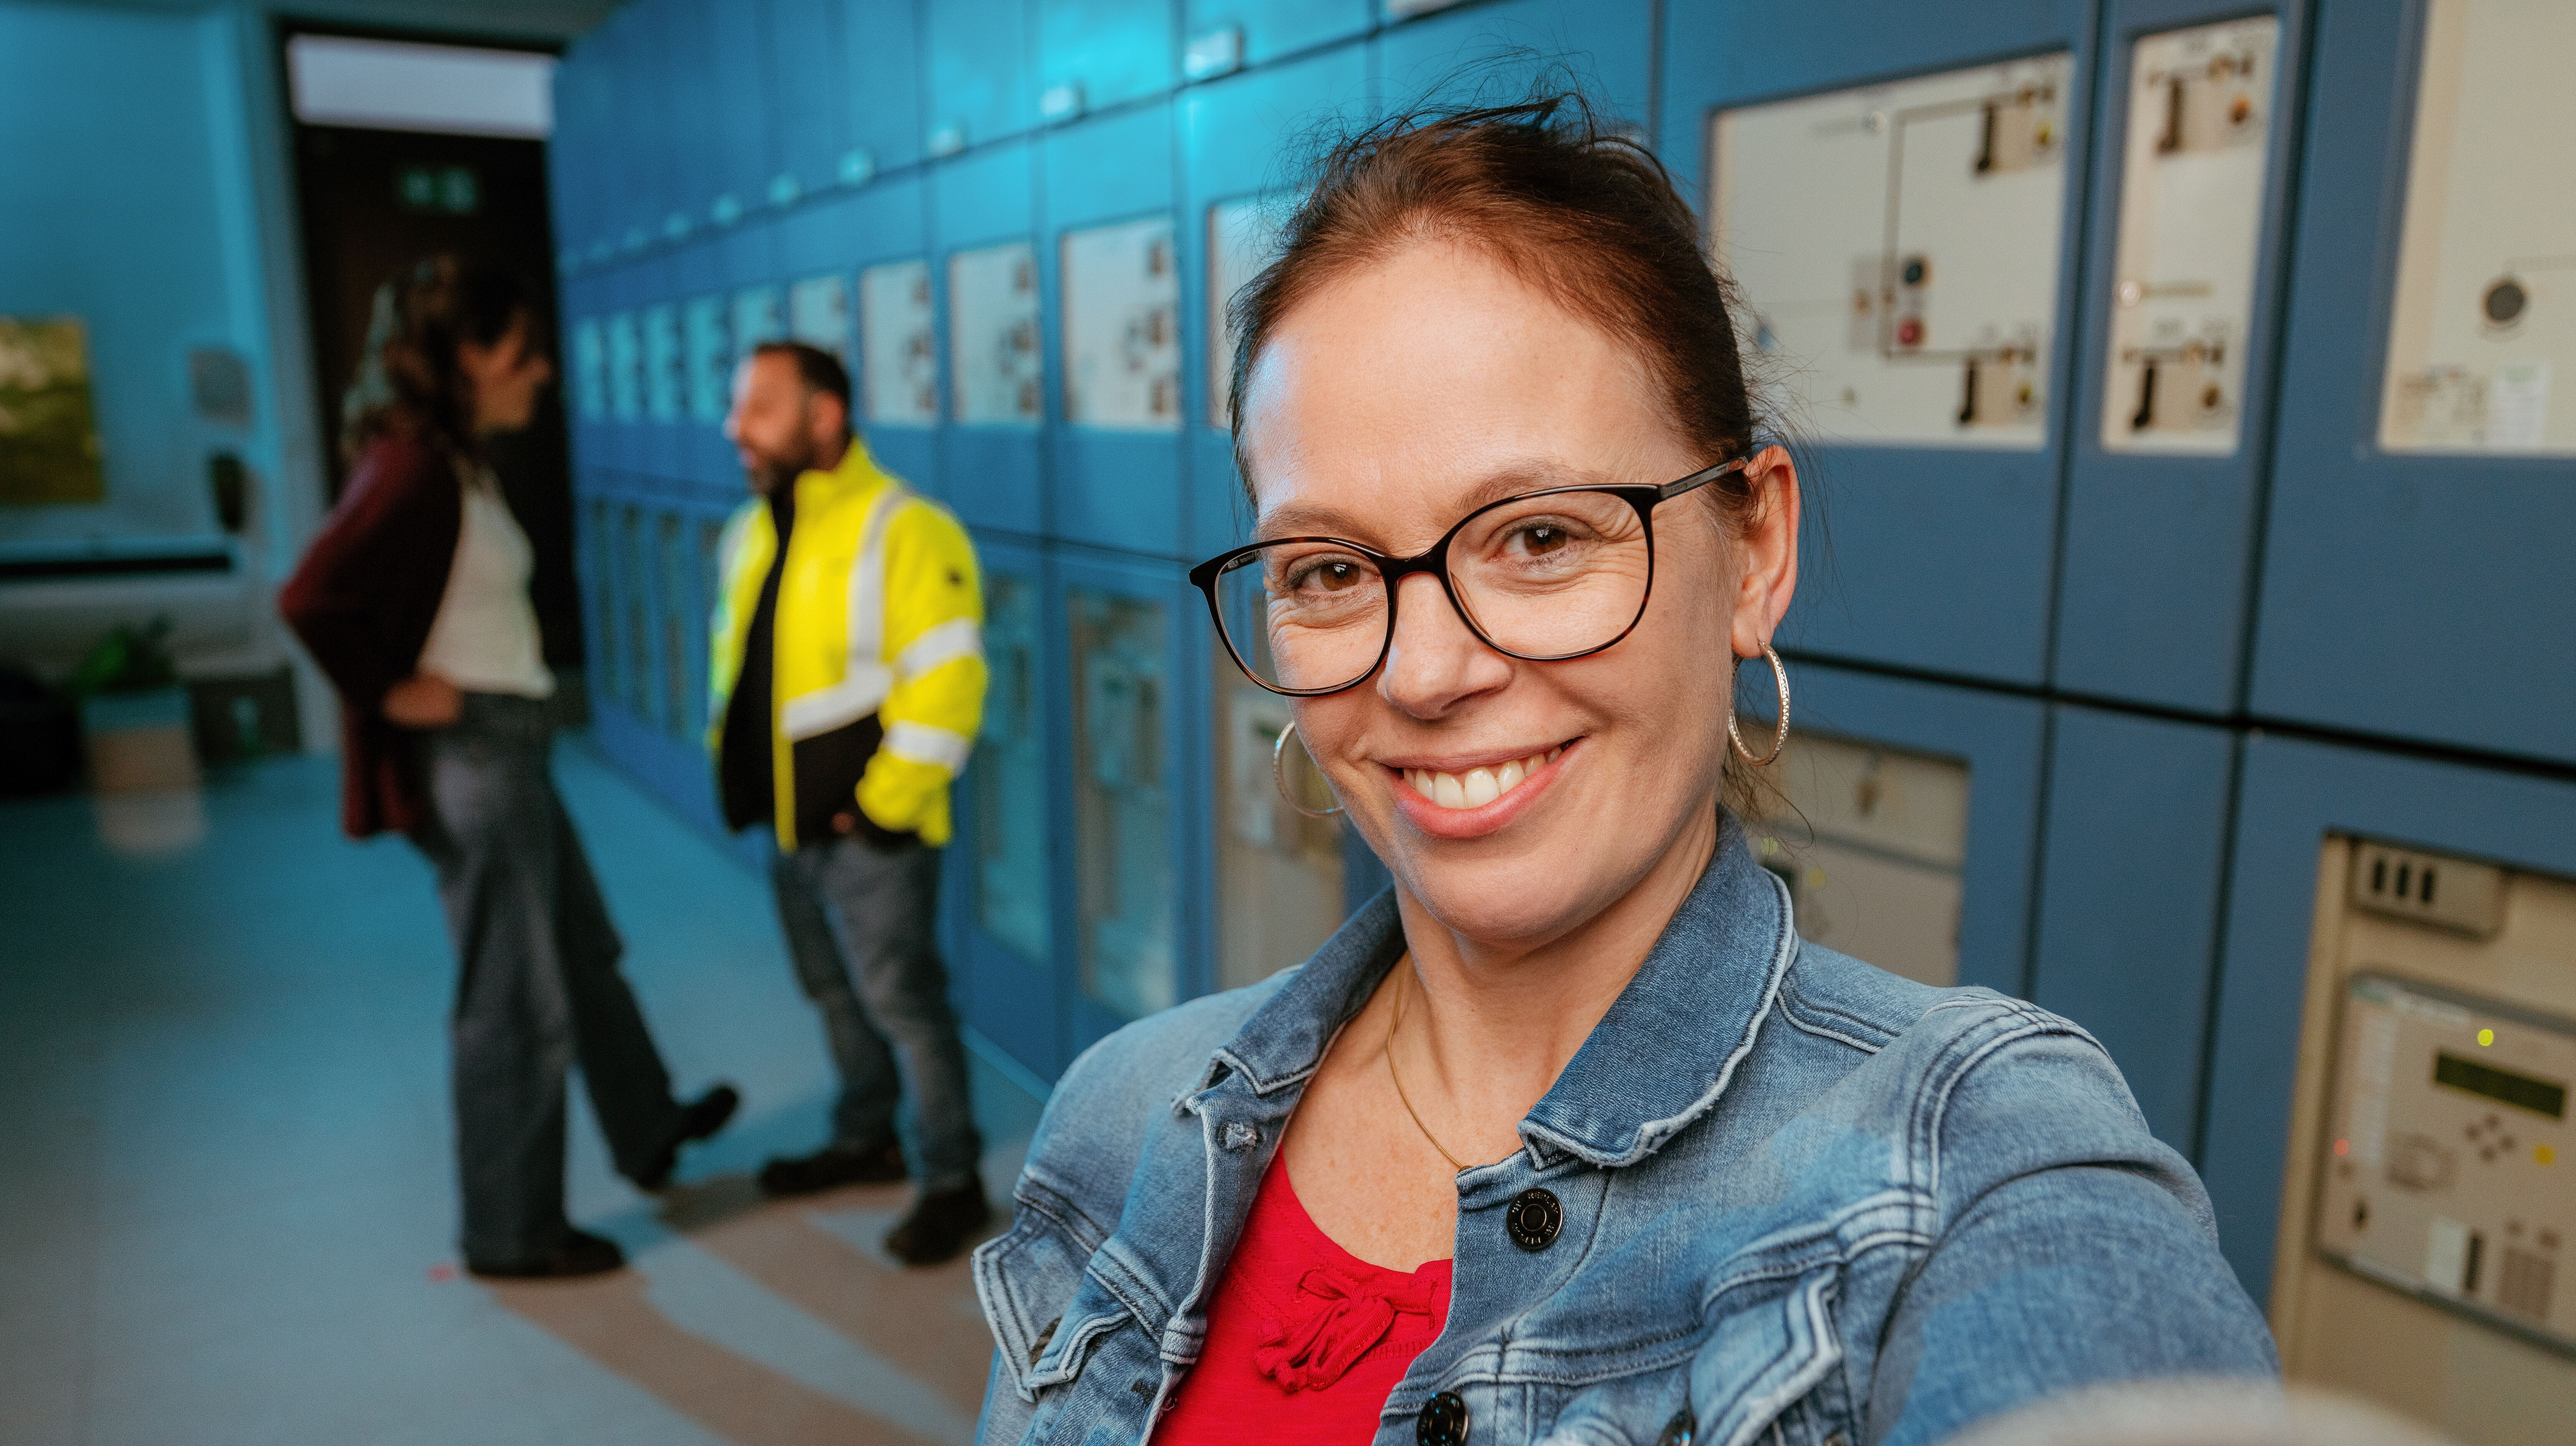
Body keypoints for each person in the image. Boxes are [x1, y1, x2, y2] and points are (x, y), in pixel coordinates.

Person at [970, 96, 2277, 1446]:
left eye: (1536, 538)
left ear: (1754, 550)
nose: (1421, 674)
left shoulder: (1965, 1164)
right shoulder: (1129, 1110)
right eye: (1328, 571)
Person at [281, 256, 738, 1280]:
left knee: (582, 947)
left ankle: (649, 1122)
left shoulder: (455, 456)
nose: (541, 374)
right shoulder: (411, 465)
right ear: (469, 355)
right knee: (512, 998)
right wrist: (390, 690)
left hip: (511, 744)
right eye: (524, 354)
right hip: (475, 757)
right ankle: (510, 1229)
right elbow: (309, 597)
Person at [711, 341, 992, 1265]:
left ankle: (952, 1176)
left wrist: (882, 808)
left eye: (758, 408)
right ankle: (867, 1136)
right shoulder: (754, 530)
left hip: (873, 830)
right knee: (834, 992)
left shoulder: (905, 526)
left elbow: (949, 683)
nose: (734, 428)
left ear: (823, 415)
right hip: (789, 822)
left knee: (903, 1001)